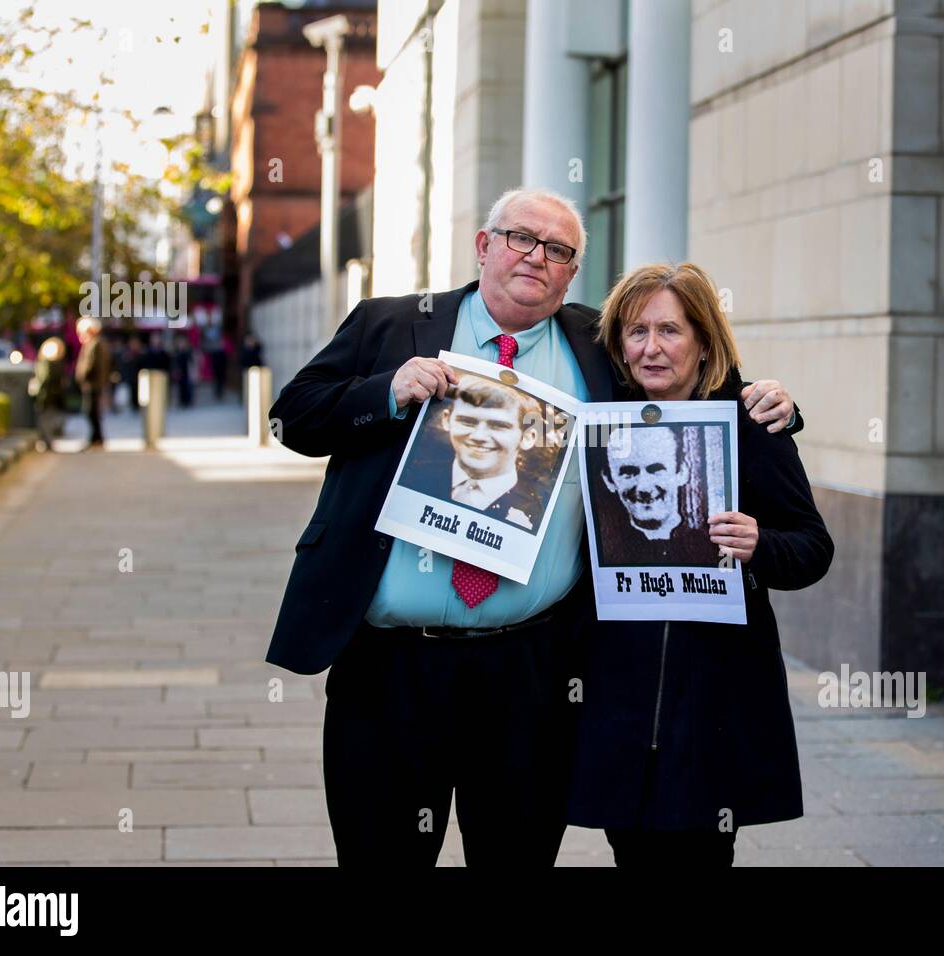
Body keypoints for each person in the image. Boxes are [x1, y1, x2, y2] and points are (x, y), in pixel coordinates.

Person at [265, 188, 799, 868]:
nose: (536, 258)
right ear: (484, 246)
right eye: (520, 238)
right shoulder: (391, 325)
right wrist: (387, 392)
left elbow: (689, 381)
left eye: (558, 250)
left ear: (572, 271)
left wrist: (772, 404)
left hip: (533, 674)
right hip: (391, 669)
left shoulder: (599, 346)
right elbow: (294, 419)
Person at [566, 261, 834, 867]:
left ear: (704, 340)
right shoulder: (598, 421)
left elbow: (813, 549)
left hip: (713, 703)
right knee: (631, 854)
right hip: (619, 700)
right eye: (637, 332)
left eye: (670, 331)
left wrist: (760, 543)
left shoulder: (750, 425)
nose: (651, 348)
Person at [399, 375, 547, 531]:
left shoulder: (537, 514)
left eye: (498, 426)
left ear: (527, 437)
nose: (479, 436)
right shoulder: (411, 476)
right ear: (447, 420)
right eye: (467, 421)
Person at [596, 424, 720, 565]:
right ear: (609, 480)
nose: (644, 487)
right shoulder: (604, 549)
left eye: (656, 470)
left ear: (682, 472)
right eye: (629, 473)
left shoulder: (711, 547)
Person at [73, 318, 111, 450]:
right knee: (91, 412)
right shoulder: (93, 344)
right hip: (92, 384)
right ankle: (96, 437)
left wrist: (82, 375)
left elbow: (92, 366)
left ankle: (96, 438)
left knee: (92, 412)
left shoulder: (95, 345)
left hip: (93, 384)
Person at [29, 336, 67, 452]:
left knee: (43, 420)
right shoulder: (58, 363)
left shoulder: (46, 363)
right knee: (49, 419)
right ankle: (48, 441)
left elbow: (43, 379)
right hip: (54, 397)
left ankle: (47, 442)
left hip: (45, 396)